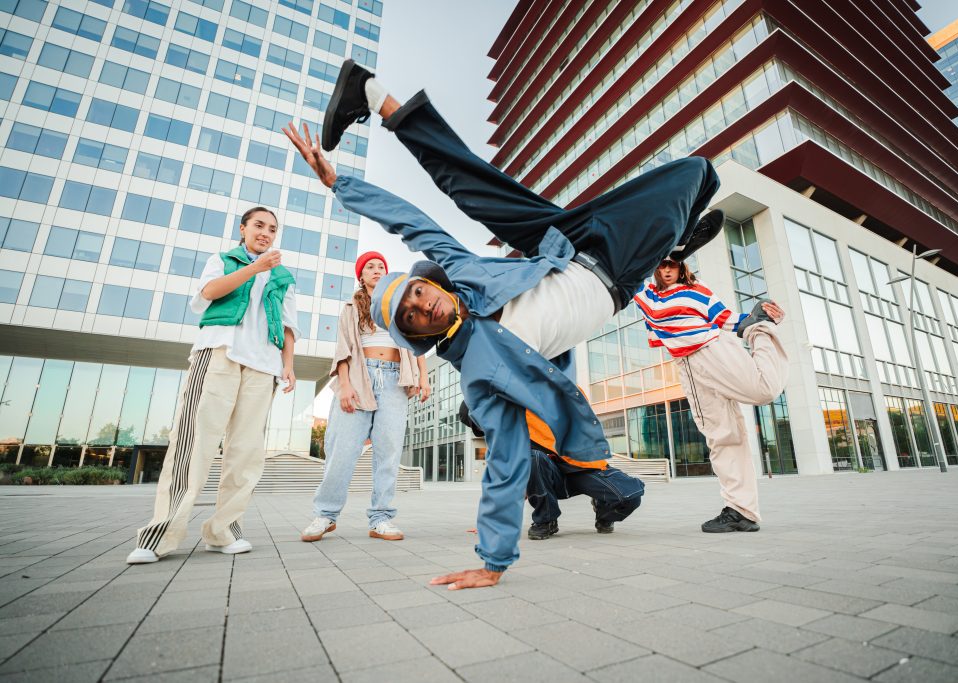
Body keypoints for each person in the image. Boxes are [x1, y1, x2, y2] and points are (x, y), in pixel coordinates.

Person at [284, 59, 722, 588]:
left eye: (420, 293)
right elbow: (506, 461)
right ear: (418, 337)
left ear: (434, 285)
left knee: (478, 186)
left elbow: (411, 221)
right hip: (618, 282)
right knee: (695, 174)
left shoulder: (461, 274)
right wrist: (492, 562)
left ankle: (372, 94)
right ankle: (667, 247)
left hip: (568, 244)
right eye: (413, 317)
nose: (424, 307)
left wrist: (341, 185)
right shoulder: (482, 376)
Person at [127, 207, 298, 564]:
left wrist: (288, 366)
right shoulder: (223, 260)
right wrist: (254, 268)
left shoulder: (283, 277)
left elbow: (287, 327)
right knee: (194, 441)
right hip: (219, 353)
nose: (265, 233)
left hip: (262, 366)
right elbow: (208, 293)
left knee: (246, 453)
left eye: (272, 229)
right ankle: (160, 533)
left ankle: (223, 531)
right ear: (243, 229)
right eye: (258, 226)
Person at [633, 257, 788, 533]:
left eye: (673, 265)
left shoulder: (696, 287)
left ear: (682, 267)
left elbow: (725, 318)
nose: (667, 270)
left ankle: (761, 331)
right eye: (661, 265)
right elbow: (628, 266)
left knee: (763, 390)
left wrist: (756, 320)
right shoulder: (645, 293)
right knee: (721, 435)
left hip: (711, 349)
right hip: (686, 366)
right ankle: (741, 511)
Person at [300, 251, 430, 544]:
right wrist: (344, 386)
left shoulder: (400, 305)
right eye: (369, 266)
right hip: (360, 377)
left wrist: (423, 377)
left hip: (396, 378)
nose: (376, 269)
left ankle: (381, 518)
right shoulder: (350, 308)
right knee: (341, 449)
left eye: (380, 266)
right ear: (361, 275)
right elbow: (343, 350)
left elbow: (417, 341)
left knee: (389, 452)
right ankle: (325, 514)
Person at [457, 401, 644, 539]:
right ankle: (546, 520)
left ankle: (603, 512)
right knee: (532, 457)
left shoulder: (526, 403)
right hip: (550, 478)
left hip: (581, 467)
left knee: (631, 496)